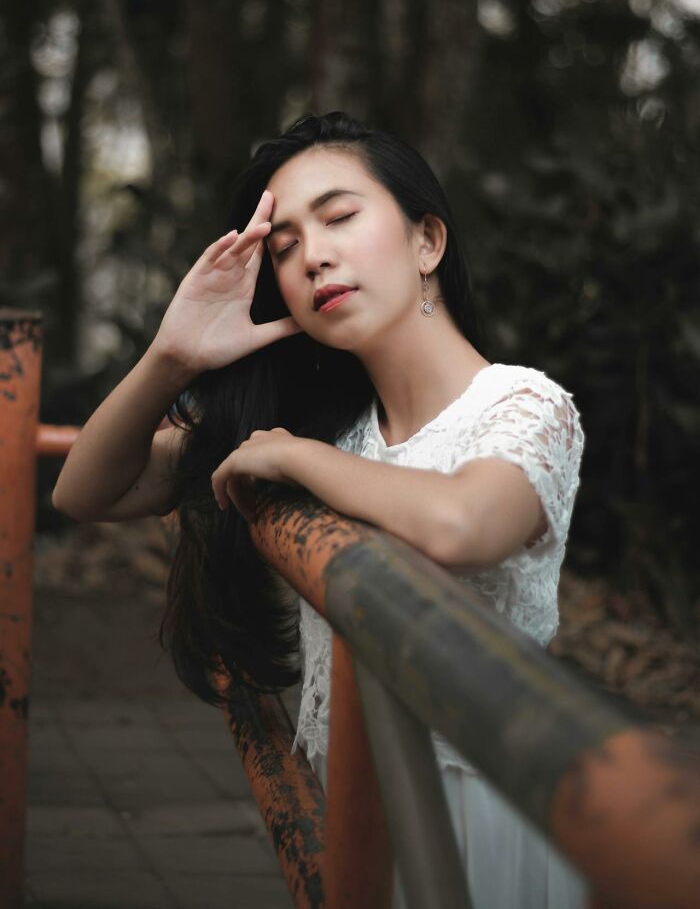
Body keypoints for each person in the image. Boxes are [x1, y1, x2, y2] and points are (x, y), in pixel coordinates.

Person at [53, 111, 588, 908]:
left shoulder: (524, 407)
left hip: (491, 820)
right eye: (285, 246)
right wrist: (173, 354)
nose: (315, 255)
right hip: (363, 817)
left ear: (426, 242)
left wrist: (298, 458)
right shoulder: (329, 426)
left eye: (339, 217)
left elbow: (461, 525)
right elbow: (83, 492)